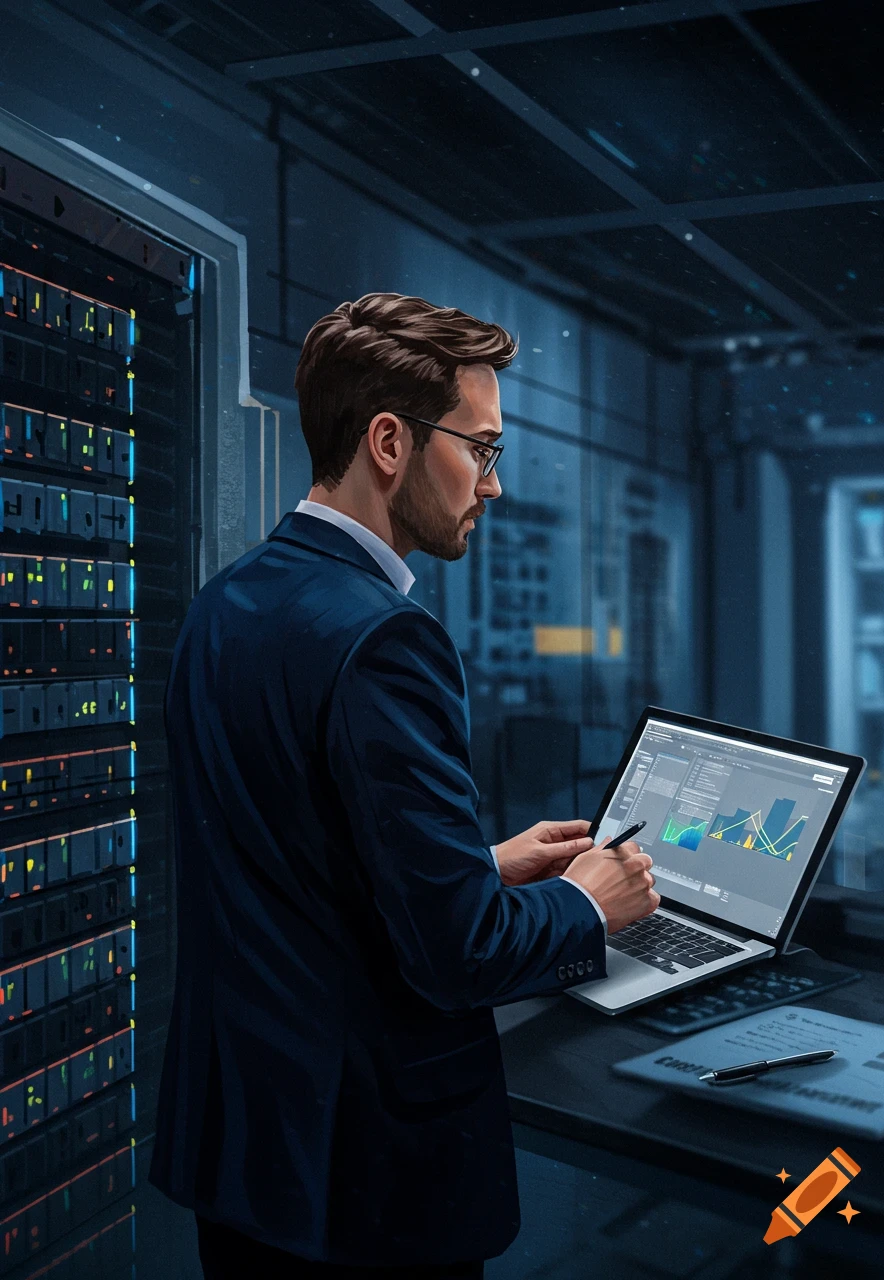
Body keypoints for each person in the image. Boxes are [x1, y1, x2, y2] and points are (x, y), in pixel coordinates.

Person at [149, 293, 660, 1279]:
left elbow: (287, 861)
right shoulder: (385, 638)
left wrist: (480, 865)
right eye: (482, 448)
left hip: (246, 1154)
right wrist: (582, 902)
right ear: (390, 440)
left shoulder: (224, 604)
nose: (491, 485)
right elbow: (460, 957)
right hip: (366, 1182)